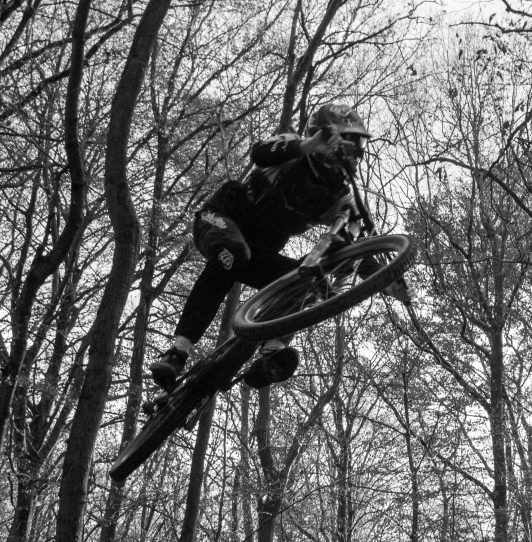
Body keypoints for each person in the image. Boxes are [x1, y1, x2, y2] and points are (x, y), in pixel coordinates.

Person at [149, 103, 410, 391]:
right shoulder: (292, 148)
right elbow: (259, 152)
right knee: (234, 253)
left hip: (256, 253)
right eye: (347, 141)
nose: (352, 151)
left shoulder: (337, 195)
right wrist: (309, 146)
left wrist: (384, 280)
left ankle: (271, 353)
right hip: (220, 219)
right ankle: (177, 352)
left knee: (310, 283)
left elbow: (355, 246)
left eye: (356, 145)